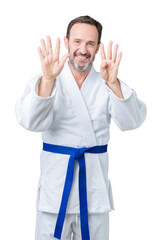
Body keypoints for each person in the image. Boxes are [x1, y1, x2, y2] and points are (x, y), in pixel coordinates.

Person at [15, 15, 147, 240]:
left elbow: (132, 121)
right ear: (66, 42)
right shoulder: (47, 79)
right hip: (55, 190)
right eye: (77, 42)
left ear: (97, 48)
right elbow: (29, 122)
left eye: (90, 44)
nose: (83, 49)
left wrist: (114, 84)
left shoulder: (107, 81)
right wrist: (48, 80)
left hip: (94, 190)